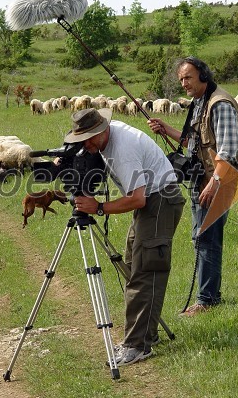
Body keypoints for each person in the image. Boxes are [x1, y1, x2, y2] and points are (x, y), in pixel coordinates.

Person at [64, 107, 185, 366]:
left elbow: (137, 199)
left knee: (145, 271)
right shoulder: (106, 136)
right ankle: (144, 335)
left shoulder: (123, 150)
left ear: (102, 130)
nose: (86, 145)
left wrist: (97, 207)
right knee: (134, 267)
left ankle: (137, 346)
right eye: (81, 140)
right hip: (153, 199)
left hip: (159, 200)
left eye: (89, 139)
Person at [147, 56, 238, 317]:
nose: (184, 83)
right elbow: (194, 142)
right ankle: (209, 296)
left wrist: (215, 183)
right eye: (180, 79)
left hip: (217, 180)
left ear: (203, 74)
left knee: (207, 238)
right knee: (201, 237)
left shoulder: (219, 104)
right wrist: (167, 130)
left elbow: (228, 150)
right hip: (202, 178)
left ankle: (207, 300)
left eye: (188, 77)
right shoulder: (199, 103)